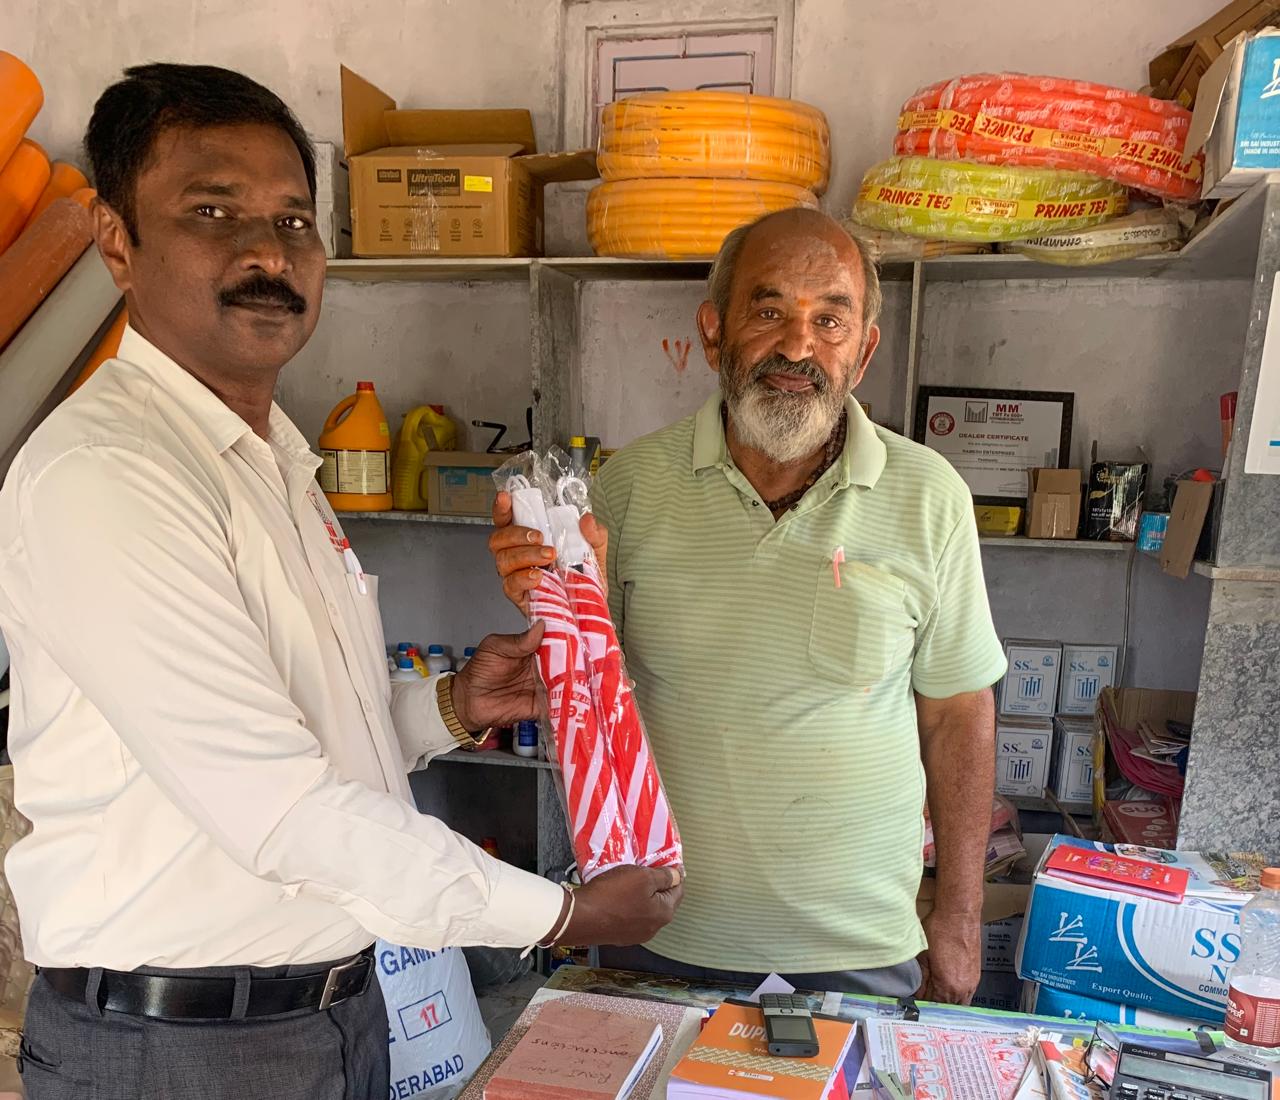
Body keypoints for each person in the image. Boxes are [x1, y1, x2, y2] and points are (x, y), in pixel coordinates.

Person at [0, 64, 680, 1100]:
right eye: (213, 212)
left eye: (293, 220)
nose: (269, 253)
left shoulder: (272, 458)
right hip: (176, 1052)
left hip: (330, 1017)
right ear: (115, 242)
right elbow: (284, 810)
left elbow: (305, 735)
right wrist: (563, 914)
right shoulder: (109, 474)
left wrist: (449, 706)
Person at [492, 207, 1006, 1003]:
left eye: (829, 320)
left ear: (864, 351)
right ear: (713, 333)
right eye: (768, 312)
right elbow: (589, 695)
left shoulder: (928, 496)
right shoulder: (628, 489)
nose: (799, 347)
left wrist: (961, 916)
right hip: (656, 932)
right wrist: (547, 598)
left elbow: (958, 714)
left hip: (859, 947)